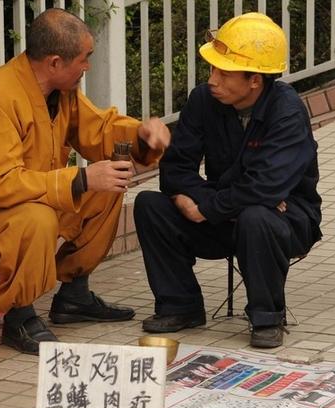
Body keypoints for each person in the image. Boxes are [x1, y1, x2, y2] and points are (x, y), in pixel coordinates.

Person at [0, 8, 170, 355]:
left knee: (109, 185)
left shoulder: (61, 91)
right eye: (84, 59)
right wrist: (82, 177)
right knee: (37, 216)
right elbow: (1, 185)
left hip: (21, 203)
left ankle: (74, 295)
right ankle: (19, 315)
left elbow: (98, 129)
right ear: (55, 62)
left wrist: (142, 136)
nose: (87, 67)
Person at [134, 12, 322, 348]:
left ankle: (267, 317)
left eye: (223, 72)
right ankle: (181, 305)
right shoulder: (203, 100)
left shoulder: (288, 112)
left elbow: (266, 187)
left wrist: (207, 206)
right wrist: (197, 203)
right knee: (150, 205)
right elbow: (176, 169)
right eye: (212, 69)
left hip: (284, 219)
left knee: (257, 214)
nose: (212, 79)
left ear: (255, 80)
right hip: (224, 208)